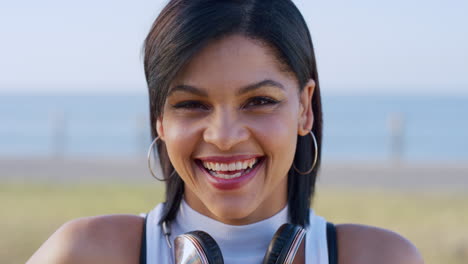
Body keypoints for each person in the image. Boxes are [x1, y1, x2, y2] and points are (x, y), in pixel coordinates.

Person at [27, 0, 424, 263]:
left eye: (259, 101)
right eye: (191, 104)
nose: (224, 136)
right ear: (159, 121)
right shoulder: (86, 252)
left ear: (304, 108)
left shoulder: (382, 256)